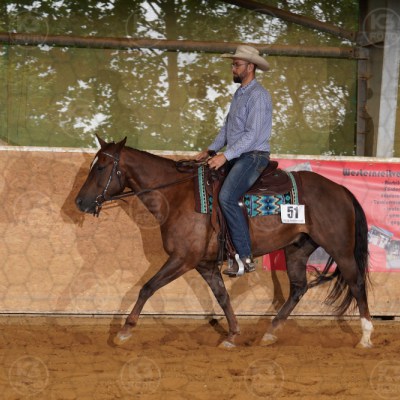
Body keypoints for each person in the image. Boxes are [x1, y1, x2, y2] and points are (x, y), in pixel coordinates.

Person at [195, 45, 272, 277]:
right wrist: (211, 149)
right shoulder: (239, 95)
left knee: (227, 196)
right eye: (233, 64)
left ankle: (245, 257)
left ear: (250, 67)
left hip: (254, 156)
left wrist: (225, 156)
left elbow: (252, 135)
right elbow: (228, 129)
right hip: (238, 155)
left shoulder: (259, 96)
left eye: (237, 65)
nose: (233, 68)